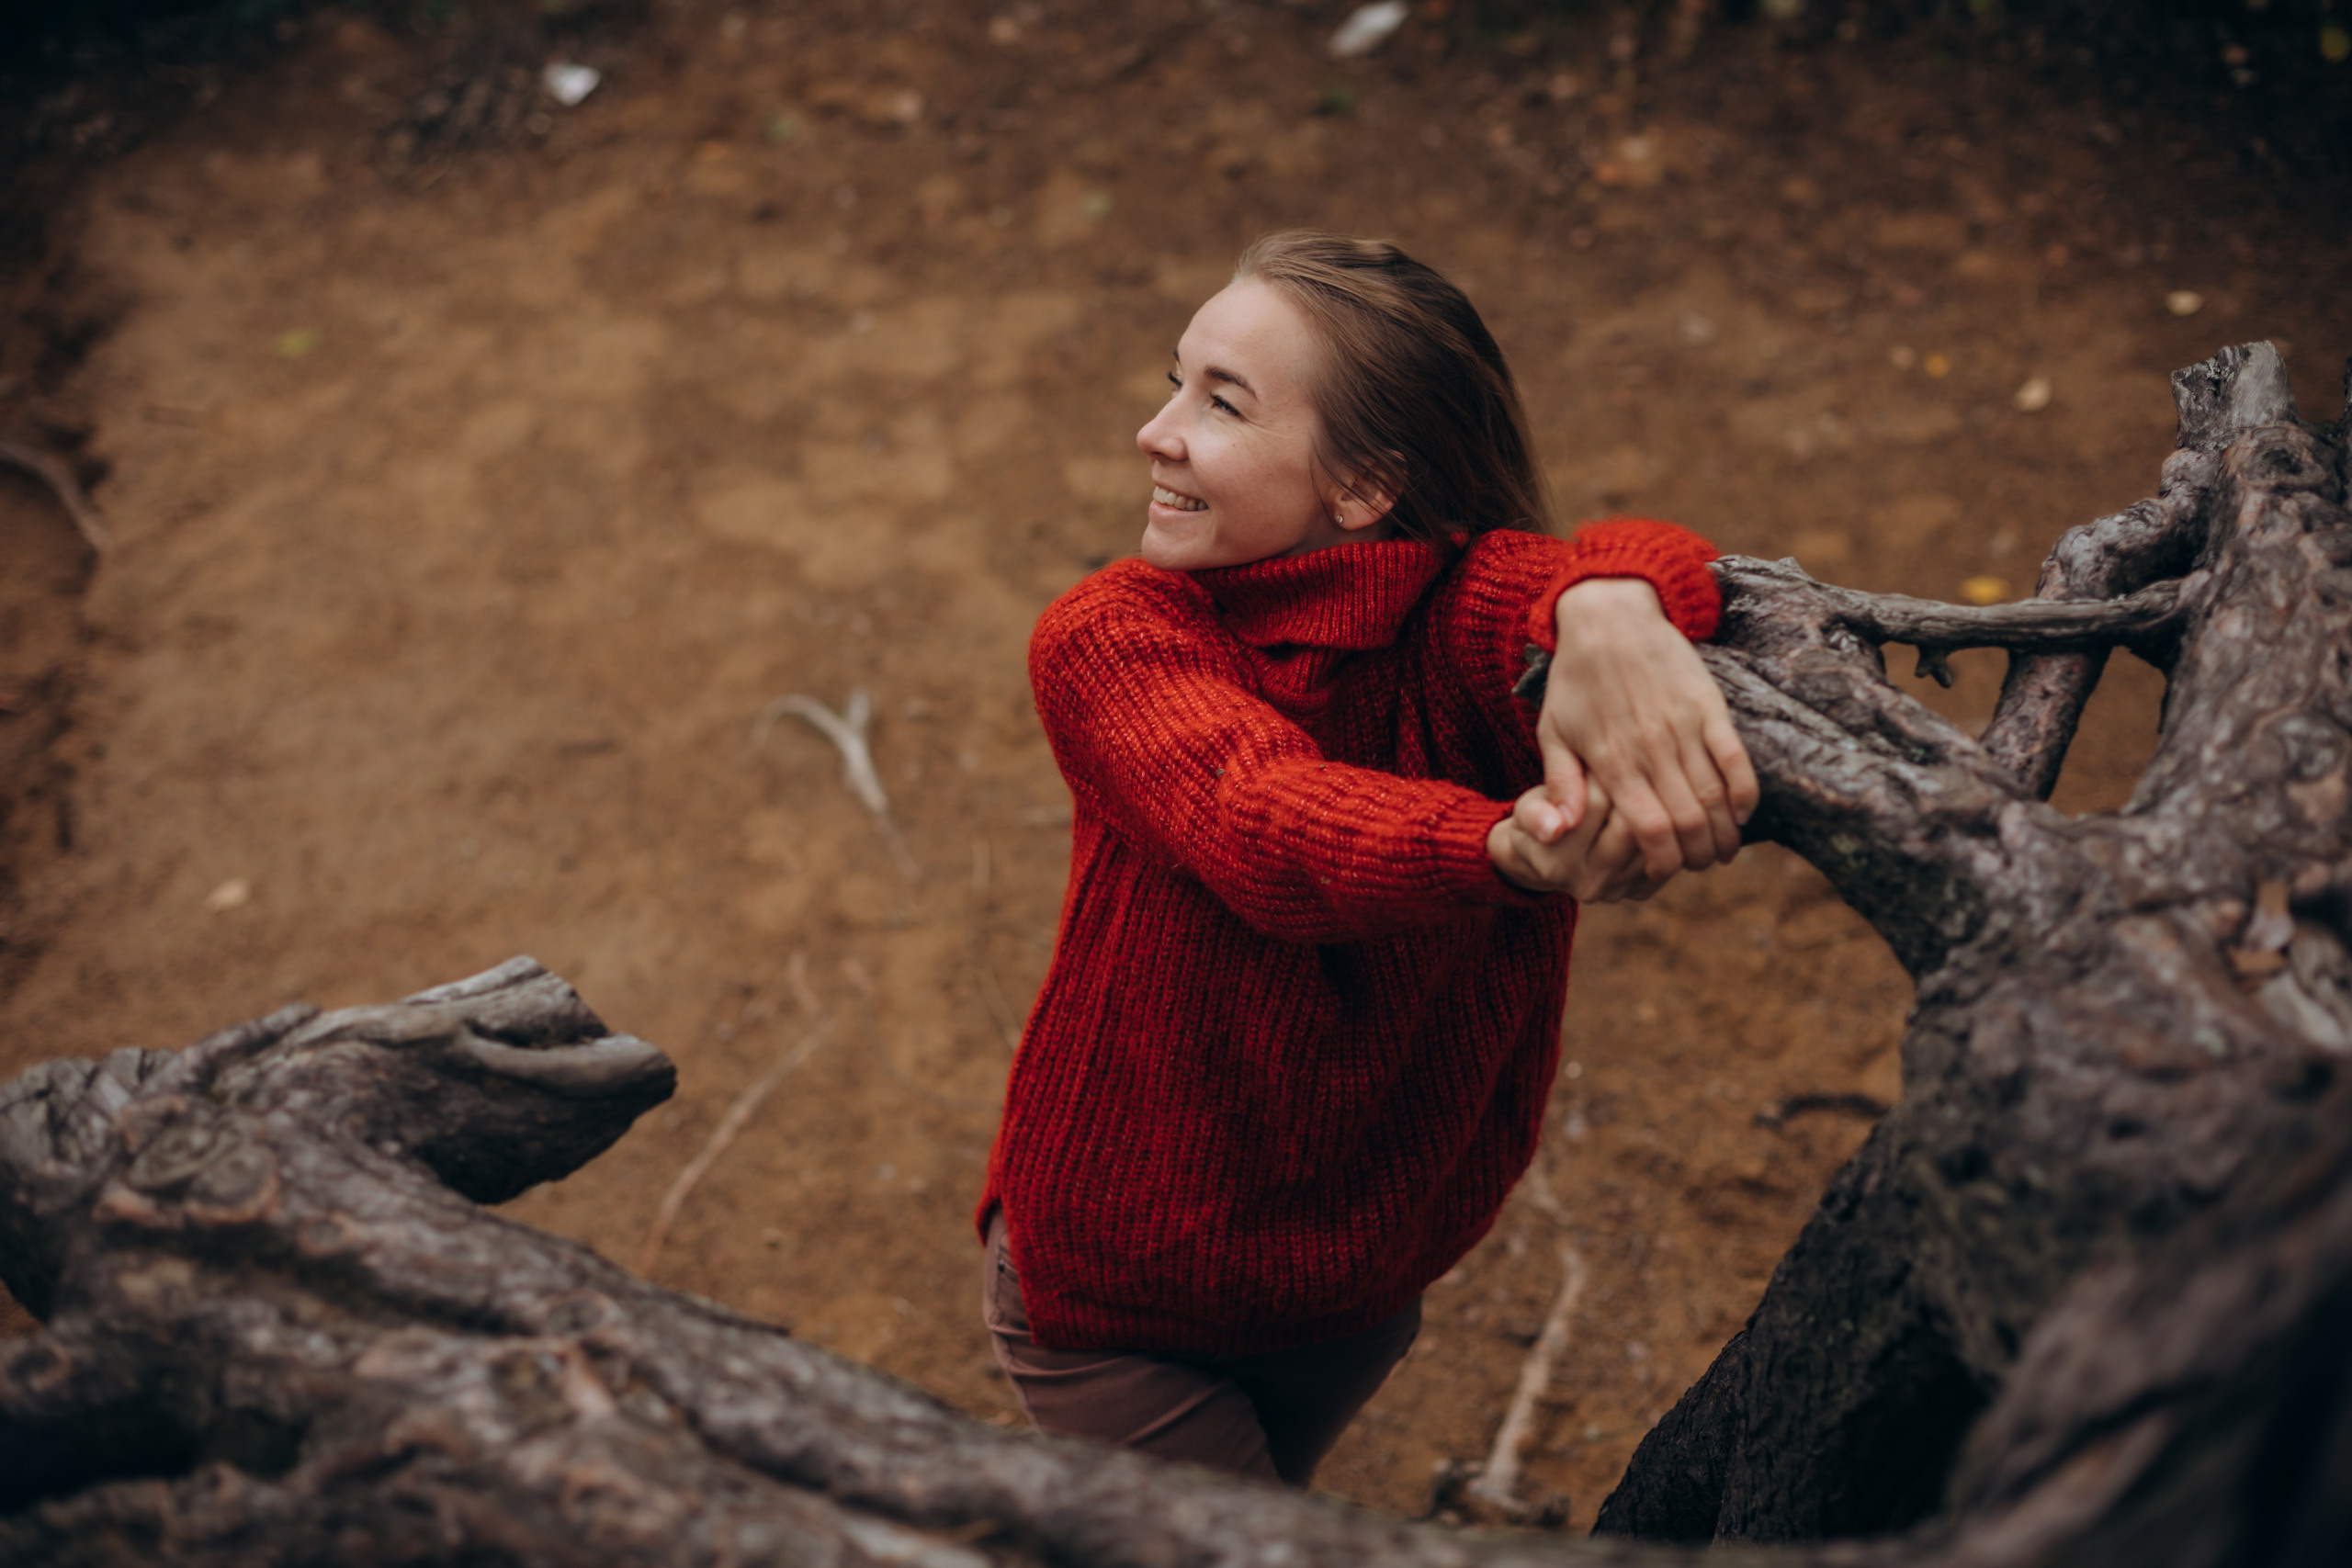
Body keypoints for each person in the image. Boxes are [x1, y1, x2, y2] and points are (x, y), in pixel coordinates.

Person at [977, 231, 1757, 1487]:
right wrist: (1499, 848)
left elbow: (1640, 558)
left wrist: (1610, 601)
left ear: (1365, 483)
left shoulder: (1464, 611)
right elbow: (1258, 819)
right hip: (1120, 1296)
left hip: (1362, 1280)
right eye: (1176, 380)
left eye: (1219, 403)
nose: (1155, 432)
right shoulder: (1114, 636)